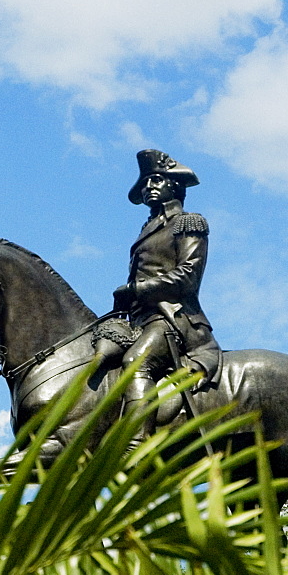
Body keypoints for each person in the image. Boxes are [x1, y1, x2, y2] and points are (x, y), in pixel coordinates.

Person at [112, 149, 221, 443]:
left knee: (137, 361)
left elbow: (188, 276)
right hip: (141, 320)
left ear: (174, 185)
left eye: (156, 180)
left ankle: (135, 442)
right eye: (145, 182)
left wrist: (136, 291)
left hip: (175, 319)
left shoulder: (188, 223)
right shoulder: (147, 230)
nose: (149, 186)